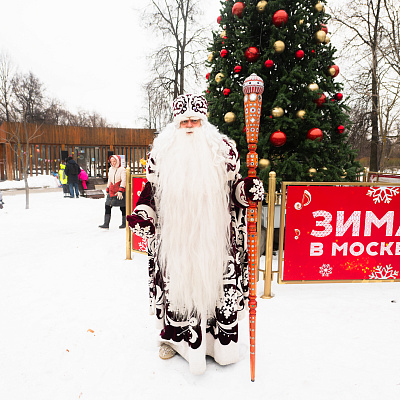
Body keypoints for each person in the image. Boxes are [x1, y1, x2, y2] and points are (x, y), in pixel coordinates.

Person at [127, 94, 264, 375]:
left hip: (215, 241)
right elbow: (150, 195)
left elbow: (235, 193)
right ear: (176, 124)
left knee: (215, 291)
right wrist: (143, 216)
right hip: (177, 242)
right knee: (177, 290)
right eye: (184, 121)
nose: (189, 125)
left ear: (204, 122)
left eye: (195, 120)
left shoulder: (222, 152)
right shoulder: (162, 155)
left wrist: (247, 191)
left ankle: (218, 348)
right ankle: (174, 342)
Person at [98, 155, 126, 229]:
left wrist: (121, 191)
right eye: (111, 161)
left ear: (118, 161)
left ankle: (124, 223)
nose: (113, 163)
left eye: (114, 161)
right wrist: (107, 189)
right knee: (107, 206)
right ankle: (106, 224)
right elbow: (109, 180)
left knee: (123, 207)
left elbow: (124, 181)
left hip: (119, 191)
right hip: (111, 191)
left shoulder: (122, 169)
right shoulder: (111, 169)